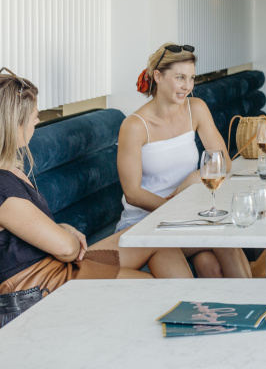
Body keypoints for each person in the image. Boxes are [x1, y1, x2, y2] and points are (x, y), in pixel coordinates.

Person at [0, 68, 193, 295]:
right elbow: (67, 249)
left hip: (58, 266)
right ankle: (193, 308)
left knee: (157, 237)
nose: (38, 121)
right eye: (34, 117)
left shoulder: (11, 169)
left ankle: (196, 308)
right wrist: (68, 235)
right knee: (159, 289)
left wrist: (61, 229)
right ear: (14, 125)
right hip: (43, 286)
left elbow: (38, 234)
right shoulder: (3, 188)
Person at [115, 44, 251, 279]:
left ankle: (247, 300)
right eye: (180, 78)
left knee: (212, 264)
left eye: (191, 78)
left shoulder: (196, 108)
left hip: (188, 215)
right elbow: (132, 194)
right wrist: (178, 210)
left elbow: (223, 161)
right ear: (158, 76)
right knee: (222, 238)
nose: (188, 86)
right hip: (146, 221)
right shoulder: (135, 125)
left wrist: (194, 177)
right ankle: (254, 299)